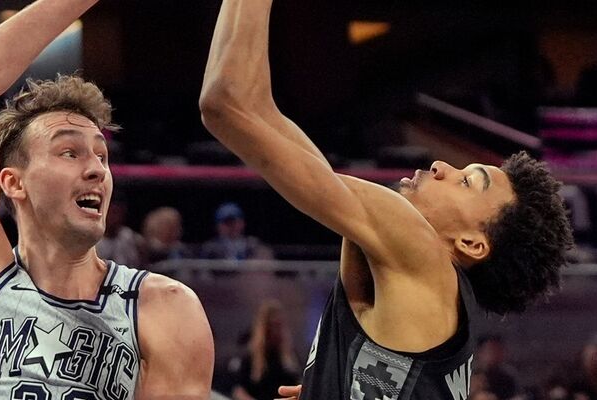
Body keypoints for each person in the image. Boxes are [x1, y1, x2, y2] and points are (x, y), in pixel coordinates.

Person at [200, 0, 572, 398]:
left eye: (466, 182)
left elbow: (226, 105)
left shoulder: (418, 245)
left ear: (472, 243)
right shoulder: (434, 311)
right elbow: (253, 109)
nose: (442, 166)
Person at [0, 0, 214, 398]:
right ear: (13, 183)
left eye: (102, 155)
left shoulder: (162, 308)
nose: (96, 169)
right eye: (69, 152)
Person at [229, 300, 300, 400]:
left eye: (278, 325)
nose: (275, 331)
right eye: (271, 326)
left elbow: (297, 384)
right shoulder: (249, 357)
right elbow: (238, 391)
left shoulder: (290, 357)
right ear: (264, 327)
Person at [200, 202, 273, 261]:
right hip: (221, 279)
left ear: (242, 223)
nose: (232, 226)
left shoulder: (252, 244)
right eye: (227, 223)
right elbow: (204, 273)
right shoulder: (210, 248)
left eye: (235, 222)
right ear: (218, 226)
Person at [95, 199, 143, 266]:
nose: (115, 217)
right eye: (113, 213)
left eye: (119, 213)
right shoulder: (93, 239)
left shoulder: (129, 236)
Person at [476, 335, 521, 400]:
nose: (494, 354)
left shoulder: (507, 379)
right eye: (490, 350)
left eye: (497, 350)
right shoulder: (469, 378)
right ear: (480, 353)